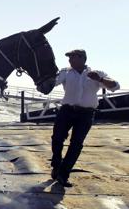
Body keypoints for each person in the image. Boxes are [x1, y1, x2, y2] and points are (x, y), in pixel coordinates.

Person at [51, 49, 119, 187]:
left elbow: (115, 86)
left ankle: (63, 175)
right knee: (57, 138)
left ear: (82, 58)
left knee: (76, 144)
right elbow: (53, 83)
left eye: (72, 57)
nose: (70, 60)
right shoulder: (66, 72)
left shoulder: (97, 73)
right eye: (69, 58)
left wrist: (99, 79)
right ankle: (56, 164)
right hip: (67, 110)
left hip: (86, 114)